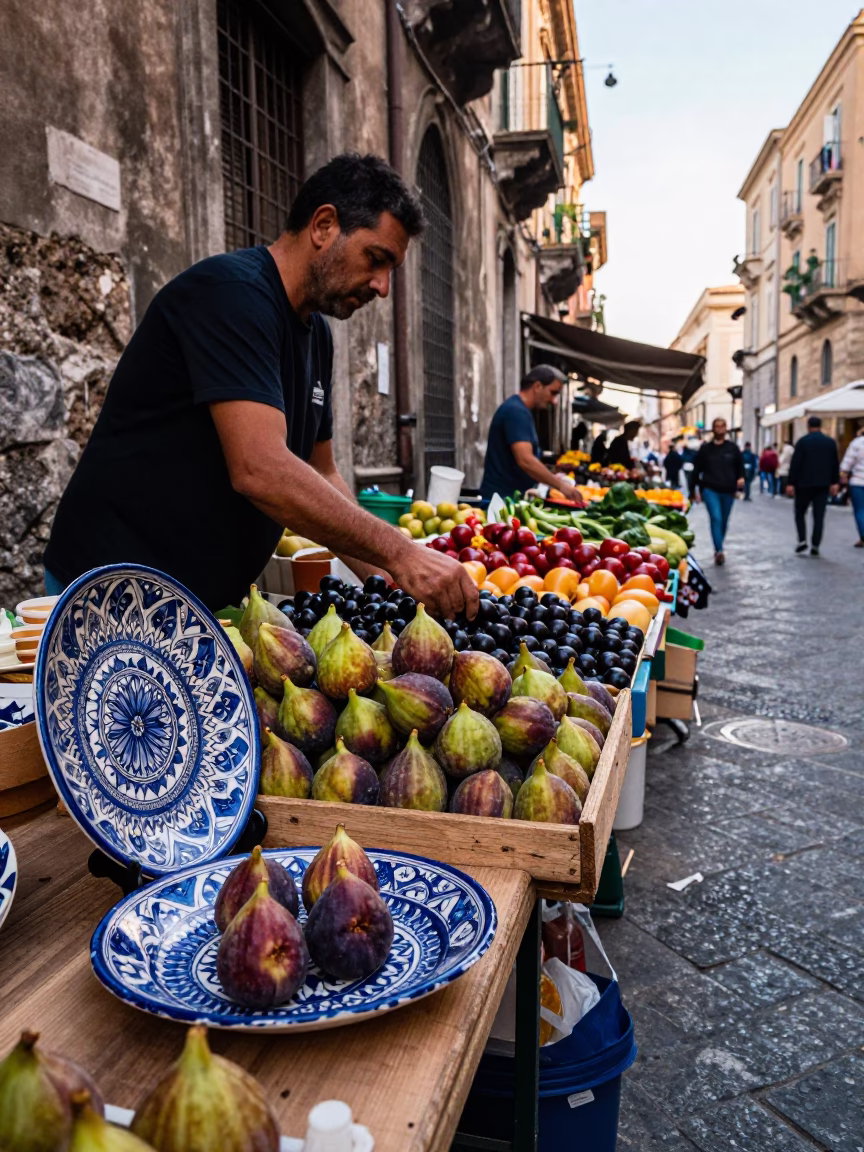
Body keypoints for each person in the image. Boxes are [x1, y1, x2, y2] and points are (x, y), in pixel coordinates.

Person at [44, 153, 479, 621]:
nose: (382, 286)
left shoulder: (318, 336)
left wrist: (393, 583)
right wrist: (401, 553)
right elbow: (260, 468)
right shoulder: (231, 294)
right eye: (377, 259)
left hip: (196, 607)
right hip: (110, 596)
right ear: (324, 225)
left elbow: (323, 470)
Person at [480, 366, 582, 502]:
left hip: (508, 497)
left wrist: (551, 475)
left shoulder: (520, 410)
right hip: (502, 500)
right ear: (537, 386)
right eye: (553, 393)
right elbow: (525, 460)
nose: (554, 401)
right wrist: (561, 486)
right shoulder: (516, 412)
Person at [693, 417, 745, 565]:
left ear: (726, 428)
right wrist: (694, 490)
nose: (720, 429)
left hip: (728, 490)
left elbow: (740, 466)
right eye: (717, 426)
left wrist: (741, 478)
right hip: (710, 489)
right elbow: (697, 471)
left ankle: (719, 546)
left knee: (724, 521)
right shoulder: (706, 449)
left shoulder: (732, 448)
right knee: (716, 518)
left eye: (722, 426)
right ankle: (719, 550)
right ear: (713, 429)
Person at [788, 416, 840, 556]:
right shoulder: (830, 443)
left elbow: (795, 463)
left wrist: (791, 483)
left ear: (808, 426)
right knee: (819, 516)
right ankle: (815, 544)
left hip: (803, 484)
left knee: (800, 513)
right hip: (822, 485)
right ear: (820, 425)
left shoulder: (802, 442)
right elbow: (835, 463)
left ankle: (802, 540)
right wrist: (835, 482)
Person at [840, 427, 864, 547]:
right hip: (857, 481)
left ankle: (863, 536)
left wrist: (844, 473)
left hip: (858, 481)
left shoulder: (857, 443)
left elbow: (848, 462)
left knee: (860, 510)